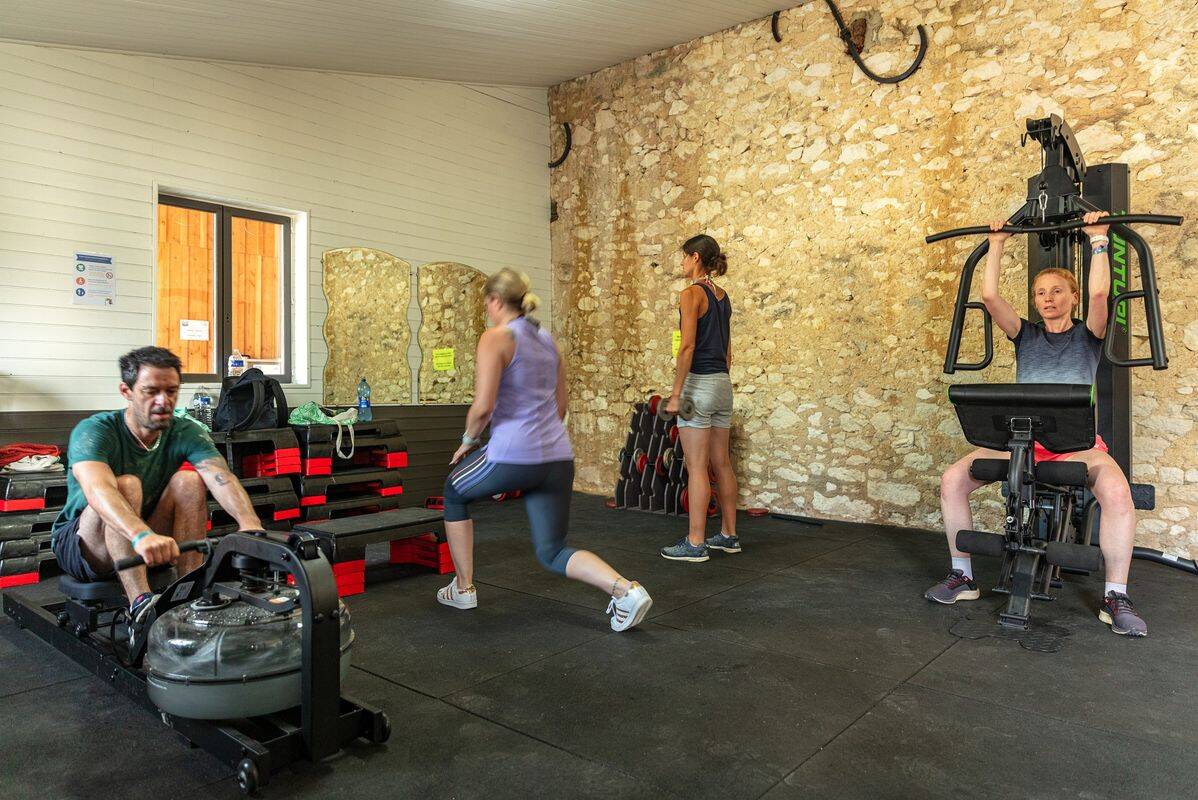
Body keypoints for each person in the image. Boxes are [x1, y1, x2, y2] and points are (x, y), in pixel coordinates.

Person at [925, 211, 1147, 636]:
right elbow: (990, 297)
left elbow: (1102, 294)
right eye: (1041, 292)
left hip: (1076, 446)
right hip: (1022, 442)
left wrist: (1098, 239)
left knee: (1118, 493)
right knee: (953, 478)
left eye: (1057, 291)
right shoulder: (1025, 336)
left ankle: (1115, 595)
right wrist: (996, 244)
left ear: (1073, 297)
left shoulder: (1089, 335)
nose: (1048, 298)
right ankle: (963, 576)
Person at [436, 269, 653, 632]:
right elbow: (561, 406)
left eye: (486, 303)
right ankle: (625, 591)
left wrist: (468, 442)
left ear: (494, 301)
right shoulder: (547, 339)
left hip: (512, 454)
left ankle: (463, 588)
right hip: (557, 457)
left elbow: (483, 408)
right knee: (553, 550)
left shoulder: (495, 337)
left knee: (453, 491)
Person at [51, 346, 265, 642]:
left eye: (171, 391)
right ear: (126, 391)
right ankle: (140, 606)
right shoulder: (95, 430)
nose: (163, 401)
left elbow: (221, 477)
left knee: (189, 481)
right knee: (126, 485)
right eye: (151, 391)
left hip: (146, 538)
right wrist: (140, 535)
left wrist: (250, 525)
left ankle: (189, 596)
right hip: (83, 545)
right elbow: (98, 490)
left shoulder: (185, 430)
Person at [659, 234, 741, 563]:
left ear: (695, 258)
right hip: (722, 384)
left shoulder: (690, 294)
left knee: (696, 467)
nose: (681, 263)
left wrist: (676, 393)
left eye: (684, 256)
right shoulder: (722, 296)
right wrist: (718, 382)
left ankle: (695, 543)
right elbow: (728, 352)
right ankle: (729, 535)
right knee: (722, 463)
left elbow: (687, 346)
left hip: (699, 385)